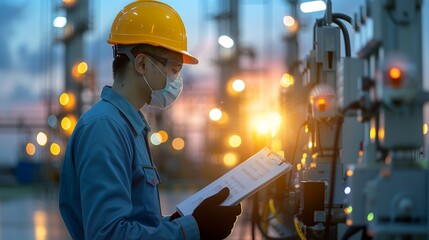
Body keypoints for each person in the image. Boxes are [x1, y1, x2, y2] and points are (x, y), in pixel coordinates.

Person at [58, 0, 242, 239]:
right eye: (174, 68)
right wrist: (191, 230)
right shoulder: (105, 128)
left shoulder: (128, 126)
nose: (177, 79)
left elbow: (135, 220)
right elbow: (108, 234)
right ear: (142, 63)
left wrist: (180, 222)